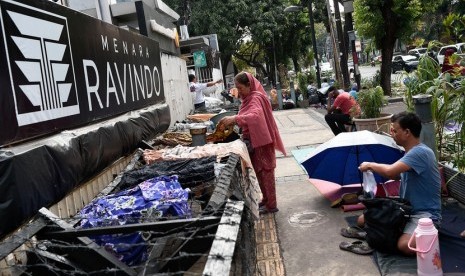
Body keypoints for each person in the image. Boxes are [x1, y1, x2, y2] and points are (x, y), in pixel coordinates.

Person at [358, 112, 442, 256]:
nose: (392, 134)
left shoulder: (420, 152)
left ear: (407, 132)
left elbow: (390, 172)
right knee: (362, 220)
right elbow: (397, 174)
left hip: (425, 214)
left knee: (404, 246)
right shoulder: (410, 153)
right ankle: (392, 233)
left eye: (395, 130)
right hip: (405, 210)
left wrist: (370, 165)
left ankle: (425, 234)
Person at [218, 72, 286, 214]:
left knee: (266, 173)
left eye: (240, 88)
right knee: (259, 173)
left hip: (262, 142)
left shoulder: (255, 98)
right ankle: (266, 201)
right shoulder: (249, 98)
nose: (239, 91)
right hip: (256, 141)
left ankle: (271, 205)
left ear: (249, 85)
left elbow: (255, 116)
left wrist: (235, 118)